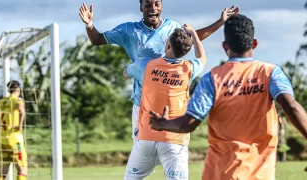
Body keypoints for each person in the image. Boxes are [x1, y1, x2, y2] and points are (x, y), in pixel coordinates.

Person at [149, 14, 307, 180]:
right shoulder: (270, 73)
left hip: (219, 173)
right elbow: (292, 106)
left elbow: (188, 124)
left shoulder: (212, 78)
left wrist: (163, 123)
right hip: (260, 174)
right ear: (254, 44)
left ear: (225, 46)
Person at [79, 0, 239, 142]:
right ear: (141, 7)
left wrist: (220, 21)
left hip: (171, 102)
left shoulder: (172, 27)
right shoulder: (129, 31)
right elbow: (97, 39)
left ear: (162, 6)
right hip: (141, 102)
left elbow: (193, 38)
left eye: (156, 3)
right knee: (142, 152)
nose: (152, 8)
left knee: (172, 151)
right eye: (147, 4)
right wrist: (89, 25)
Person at [123, 24, 206, 179]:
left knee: (130, 177)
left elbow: (126, 73)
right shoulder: (189, 69)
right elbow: (202, 58)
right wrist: (194, 33)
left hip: (146, 137)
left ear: (167, 45)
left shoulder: (145, 65)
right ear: (185, 52)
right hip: (175, 139)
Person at [0, 80, 27, 180]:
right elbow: (21, 110)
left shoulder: (0, 102)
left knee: (3, 170)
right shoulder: (18, 100)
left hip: (2, 139)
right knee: (22, 169)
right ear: (18, 90)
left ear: (9, 90)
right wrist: (20, 125)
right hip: (15, 140)